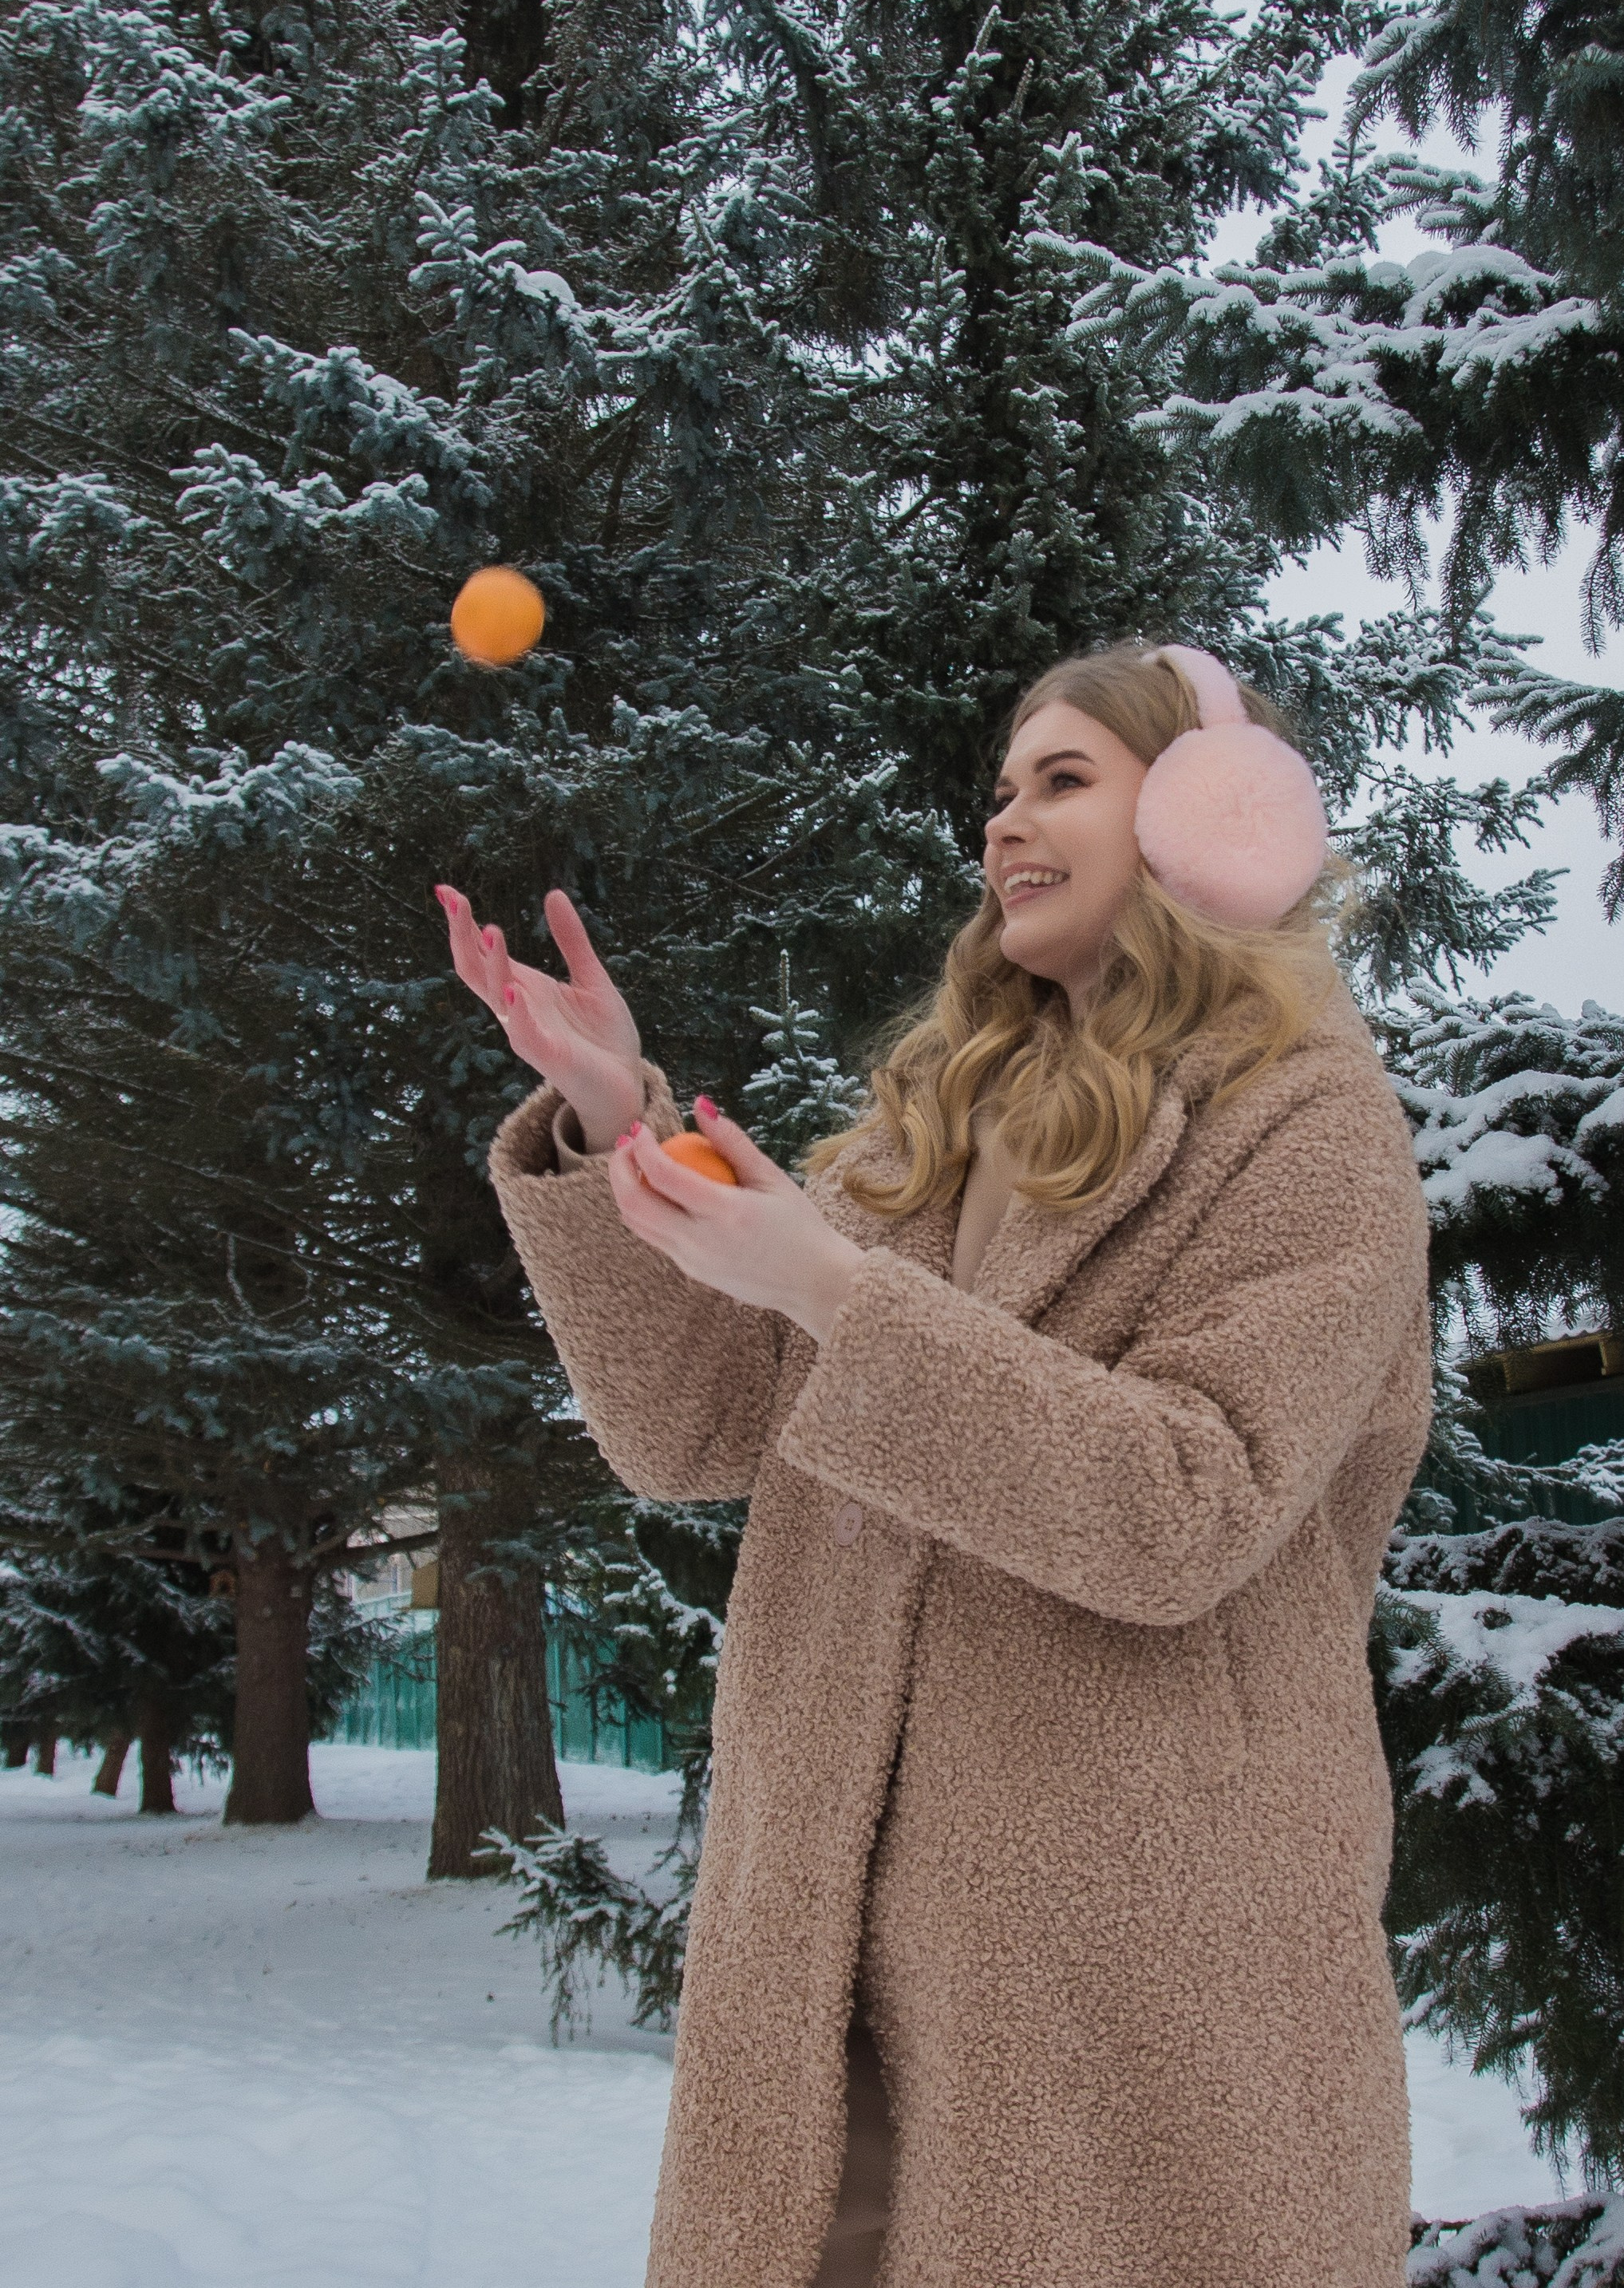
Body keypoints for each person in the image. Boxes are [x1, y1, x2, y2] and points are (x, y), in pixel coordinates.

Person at [438, 642, 1432, 2288]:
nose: (1003, 826)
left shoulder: (1307, 1128)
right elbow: (691, 1430)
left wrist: (833, 1287)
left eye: (1061, 782)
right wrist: (614, 1114)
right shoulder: (935, 1126)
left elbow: (1185, 1506)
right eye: (996, 792)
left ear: (1209, 817)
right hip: (830, 1935)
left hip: (1131, 1994)